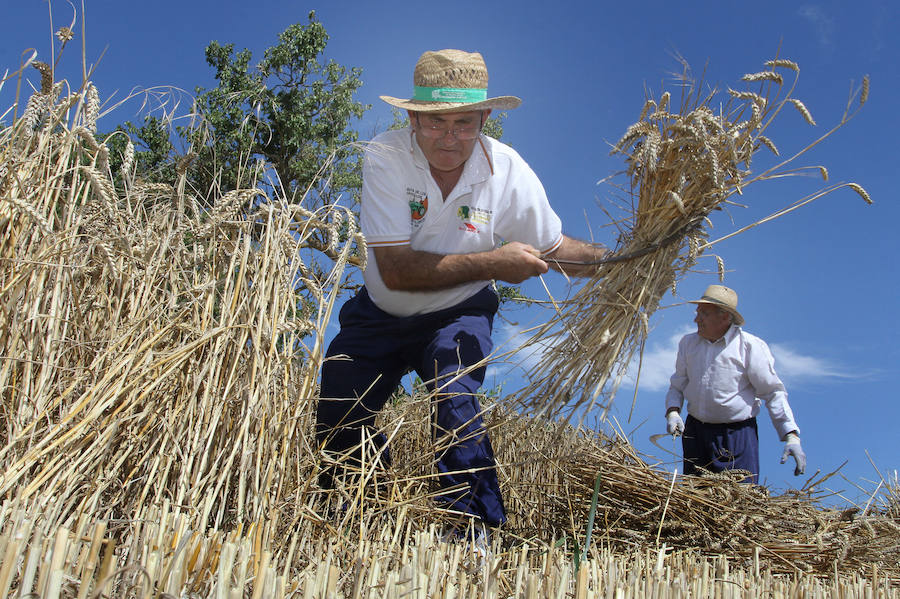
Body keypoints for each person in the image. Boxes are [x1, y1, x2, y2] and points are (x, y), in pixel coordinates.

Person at [316, 49, 606, 530]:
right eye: (435, 123)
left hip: (458, 309)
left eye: (464, 123)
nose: (449, 138)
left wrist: (616, 261)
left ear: (485, 118)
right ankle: (354, 522)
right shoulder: (386, 156)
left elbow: (555, 249)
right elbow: (396, 270)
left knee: (456, 396)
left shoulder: (508, 171)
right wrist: (496, 261)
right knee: (340, 403)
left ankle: (470, 532)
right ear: (412, 116)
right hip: (381, 309)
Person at [664, 285, 806, 484]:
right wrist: (673, 412)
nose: (697, 319)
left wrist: (791, 435)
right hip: (695, 434)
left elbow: (772, 392)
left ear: (725, 317)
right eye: (697, 313)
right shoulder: (688, 344)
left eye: (704, 314)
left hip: (736, 436)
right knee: (693, 501)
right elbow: (677, 384)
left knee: (738, 501)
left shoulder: (750, 347)